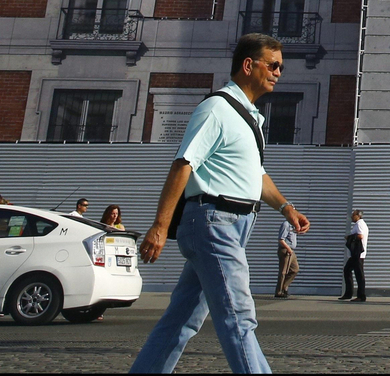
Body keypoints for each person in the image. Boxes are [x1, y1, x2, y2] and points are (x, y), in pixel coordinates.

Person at [130, 33, 311, 375]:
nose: (279, 73)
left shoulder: (250, 118)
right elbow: (183, 164)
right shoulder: (217, 109)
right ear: (248, 65)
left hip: (232, 227)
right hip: (214, 223)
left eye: (281, 67)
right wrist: (160, 225)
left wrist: (286, 207)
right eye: (273, 65)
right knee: (238, 318)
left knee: (181, 320)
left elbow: (256, 176)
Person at [341, 210, 368, 302]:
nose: (351, 217)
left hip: (358, 254)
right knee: (347, 270)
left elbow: (360, 236)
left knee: (359, 274)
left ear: (358, 216)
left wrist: (349, 237)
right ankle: (348, 293)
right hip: (355, 254)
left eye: (353, 215)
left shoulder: (360, 224)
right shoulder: (359, 224)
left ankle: (361, 296)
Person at [276, 212, 299, 299]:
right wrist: (288, 249)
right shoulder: (286, 224)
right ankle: (279, 291)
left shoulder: (293, 225)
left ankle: (284, 286)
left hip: (291, 250)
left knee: (295, 269)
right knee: (283, 271)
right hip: (286, 250)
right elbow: (281, 239)